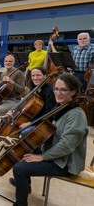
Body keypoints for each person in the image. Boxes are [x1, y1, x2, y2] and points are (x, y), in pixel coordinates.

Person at [11, 73, 87, 206]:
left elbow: (67, 146)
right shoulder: (62, 106)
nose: (58, 93)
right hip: (57, 154)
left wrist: (42, 156)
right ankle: (25, 185)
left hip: (65, 163)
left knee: (19, 169)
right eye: (56, 89)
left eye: (63, 90)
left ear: (73, 92)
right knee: (22, 150)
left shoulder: (75, 114)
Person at [0, 55, 25, 129]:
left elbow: (22, 90)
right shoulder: (3, 74)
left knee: (1, 109)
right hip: (3, 98)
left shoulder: (19, 73)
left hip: (14, 99)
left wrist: (11, 82)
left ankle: (6, 123)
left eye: (10, 61)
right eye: (6, 61)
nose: (8, 63)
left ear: (14, 62)